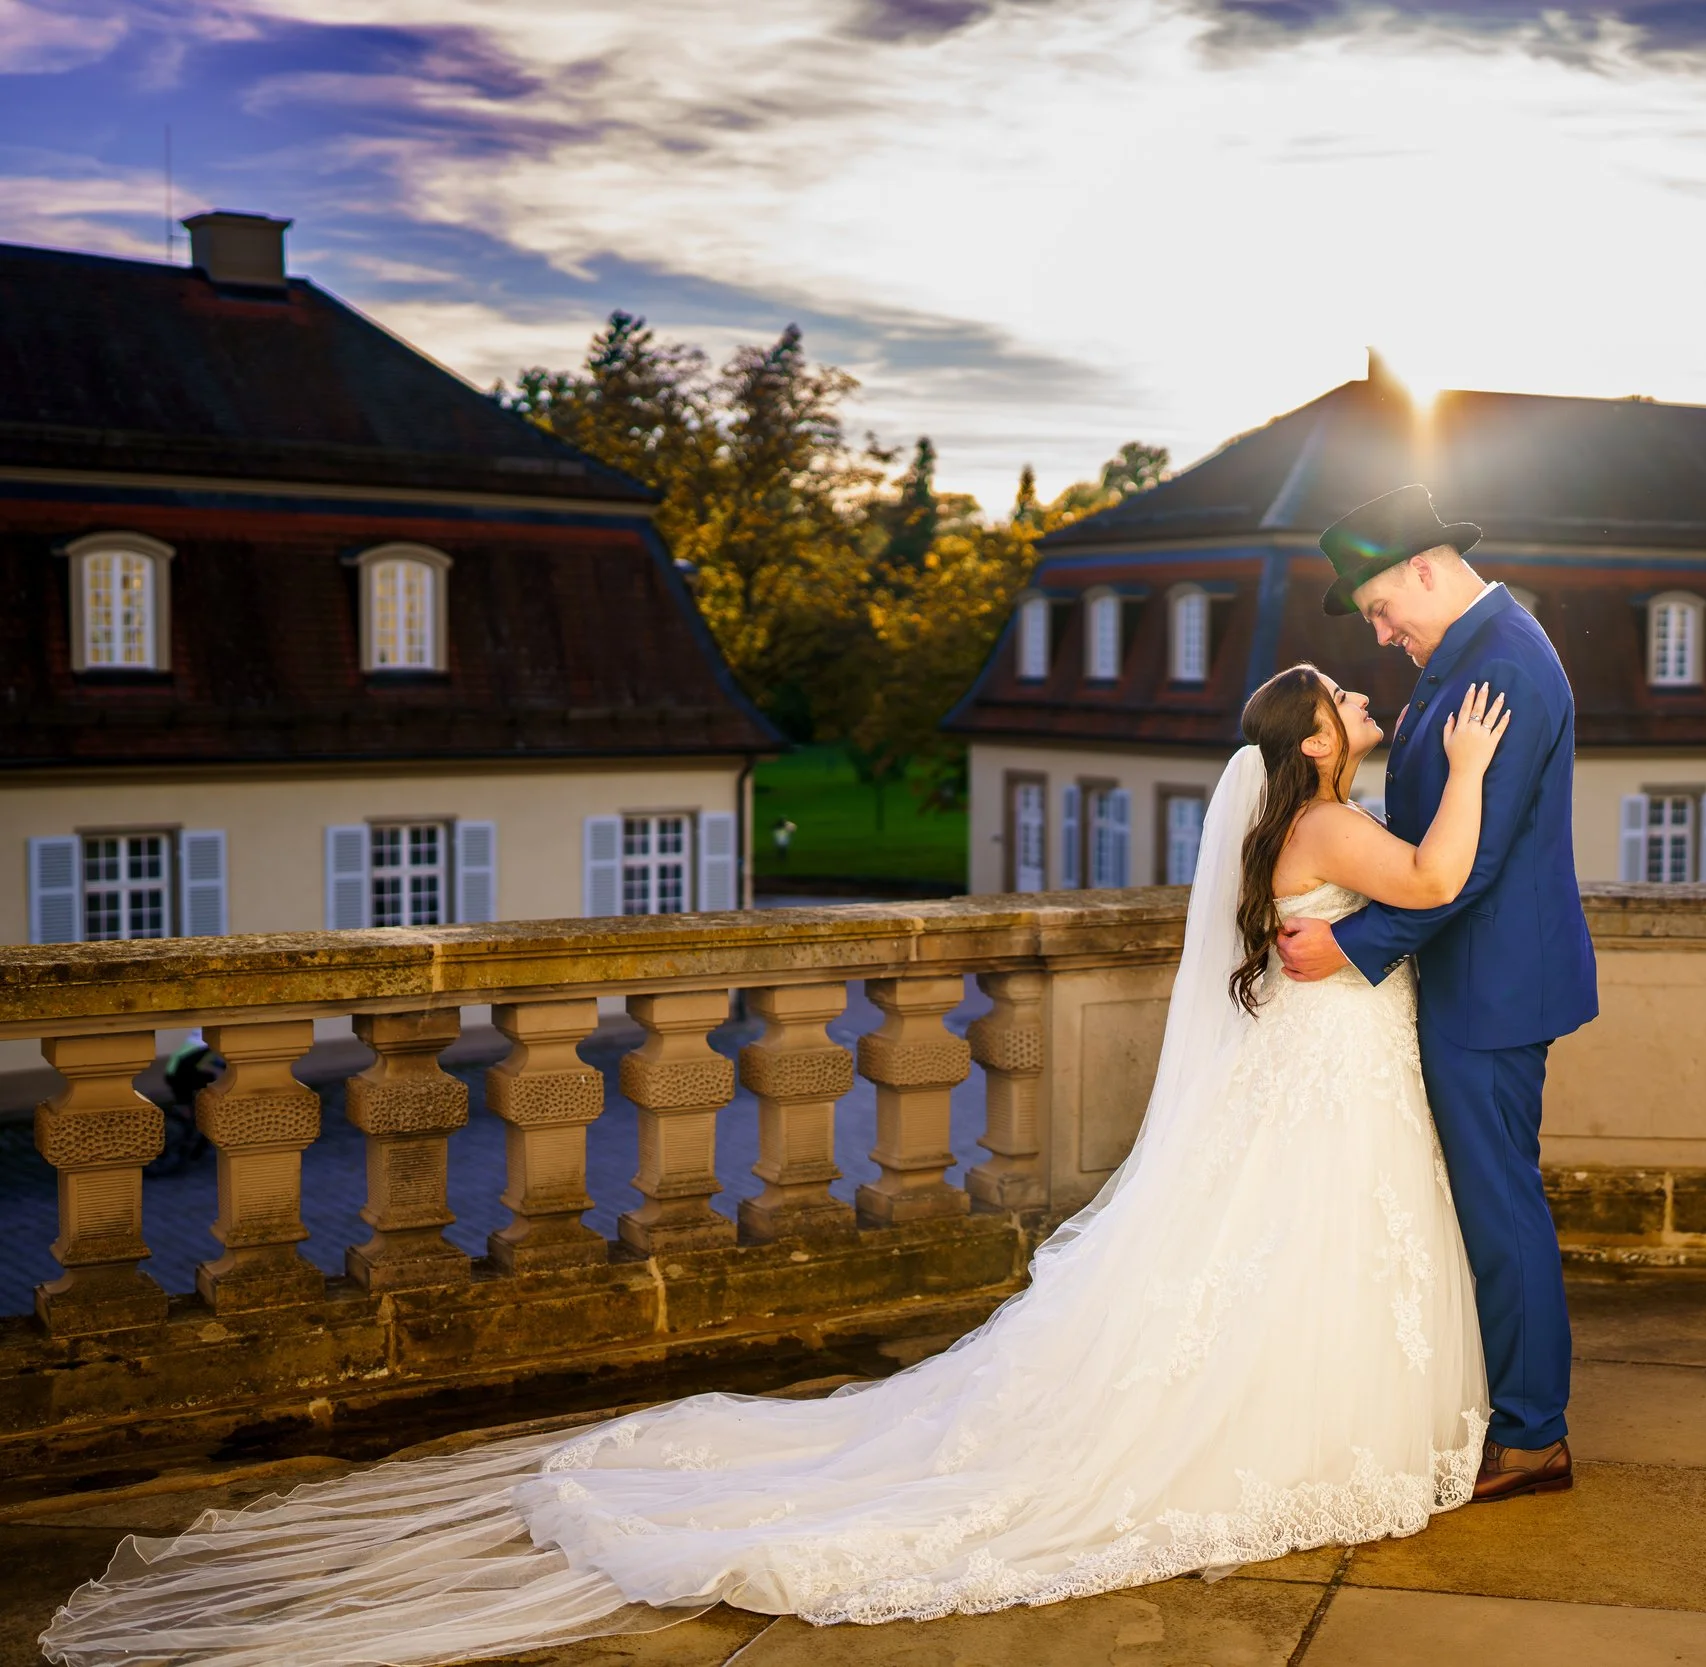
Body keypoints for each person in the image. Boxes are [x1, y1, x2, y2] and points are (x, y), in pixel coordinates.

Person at [41, 663, 1514, 1667]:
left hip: (1311, 1075)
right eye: (1348, 699)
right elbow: (1438, 880)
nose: (1369, 701)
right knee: (1301, 1253)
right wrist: (1468, 765)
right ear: (1317, 742)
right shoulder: (1328, 815)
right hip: (1322, 1079)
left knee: (1269, 1256)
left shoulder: (1289, 816)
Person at [1276, 483, 1599, 1504]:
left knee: (1501, 1210)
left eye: (1379, 608)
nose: (1378, 632)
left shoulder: (1498, 665)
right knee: (1483, 1204)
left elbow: (1470, 866)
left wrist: (1351, 944)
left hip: (1491, 987)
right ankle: (1507, 1412)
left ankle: (1532, 1434)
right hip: (1476, 976)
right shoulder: (1470, 654)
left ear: (1425, 568)